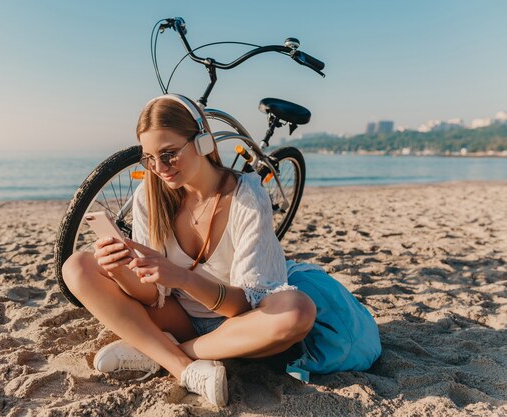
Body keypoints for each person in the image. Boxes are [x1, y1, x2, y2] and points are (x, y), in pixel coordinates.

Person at [62, 94, 380, 407]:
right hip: (179, 316)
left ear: (203, 142)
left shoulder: (246, 197)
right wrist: (121, 270)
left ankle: (163, 351)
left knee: (297, 311)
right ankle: (182, 367)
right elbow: (152, 295)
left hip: (240, 328)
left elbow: (244, 306)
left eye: (169, 153)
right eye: (149, 158)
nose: (159, 167)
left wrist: (183, 278)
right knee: (77, 267)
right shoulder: (151, 195)